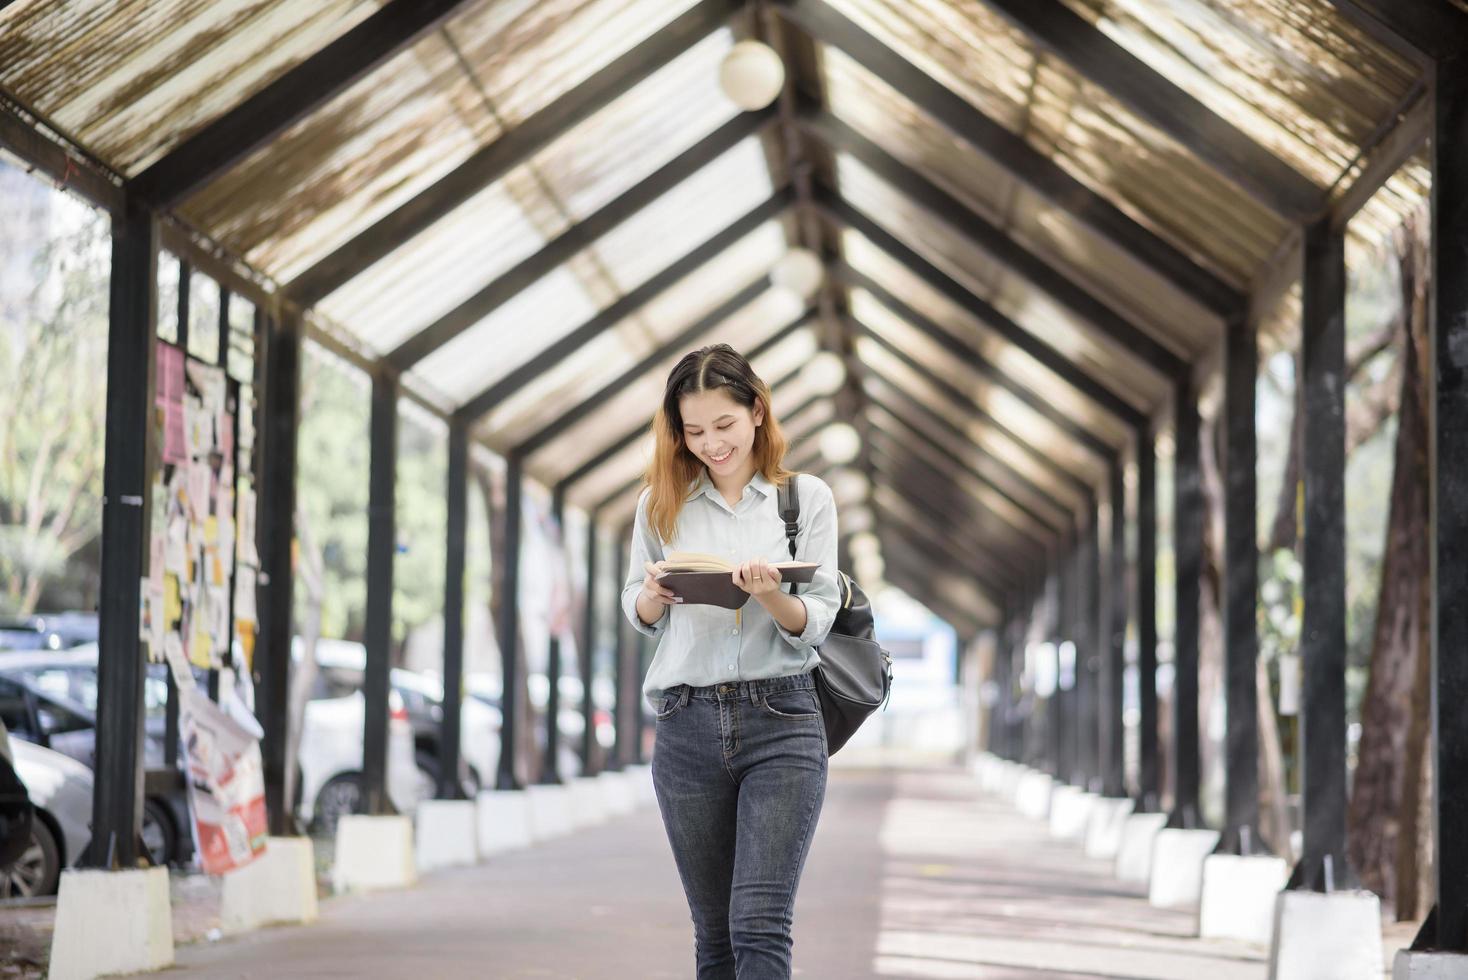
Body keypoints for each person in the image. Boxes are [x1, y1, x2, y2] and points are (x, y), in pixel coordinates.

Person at [622, 343, 841, 979]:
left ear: (756, 412)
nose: (713, 444)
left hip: (782, 718)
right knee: (713, 934)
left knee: (759, 921)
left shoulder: (804, 501)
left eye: (724, 425)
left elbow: (815, 621)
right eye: (694, 432)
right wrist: (652, 596)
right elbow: (640, 613)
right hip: (687, 722)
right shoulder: (658, 505)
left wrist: (770, 592)